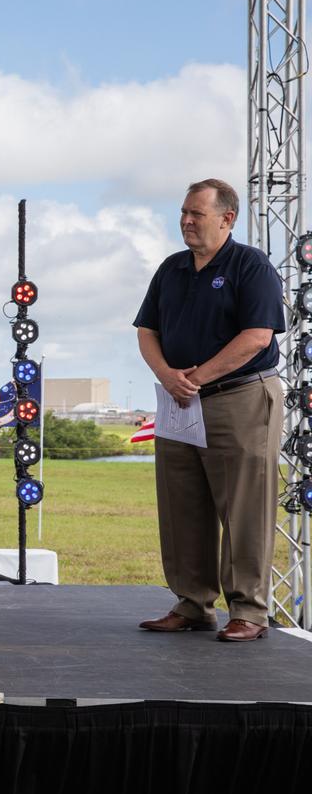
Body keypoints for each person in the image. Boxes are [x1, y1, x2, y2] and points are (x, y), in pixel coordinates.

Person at [134, 178, 283, 643]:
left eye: (196, 213)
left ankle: (249, 611)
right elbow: (146, 330)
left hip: (239, 398)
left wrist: (195, 378)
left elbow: (258, 336)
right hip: (179, 401)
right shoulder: (172, 268)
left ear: (227, 218)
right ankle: (192, 603)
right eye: (183, 212)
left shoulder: (251, 265)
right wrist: (167, 375)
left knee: (244, 508)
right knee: (181, 506)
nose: (186, 221)